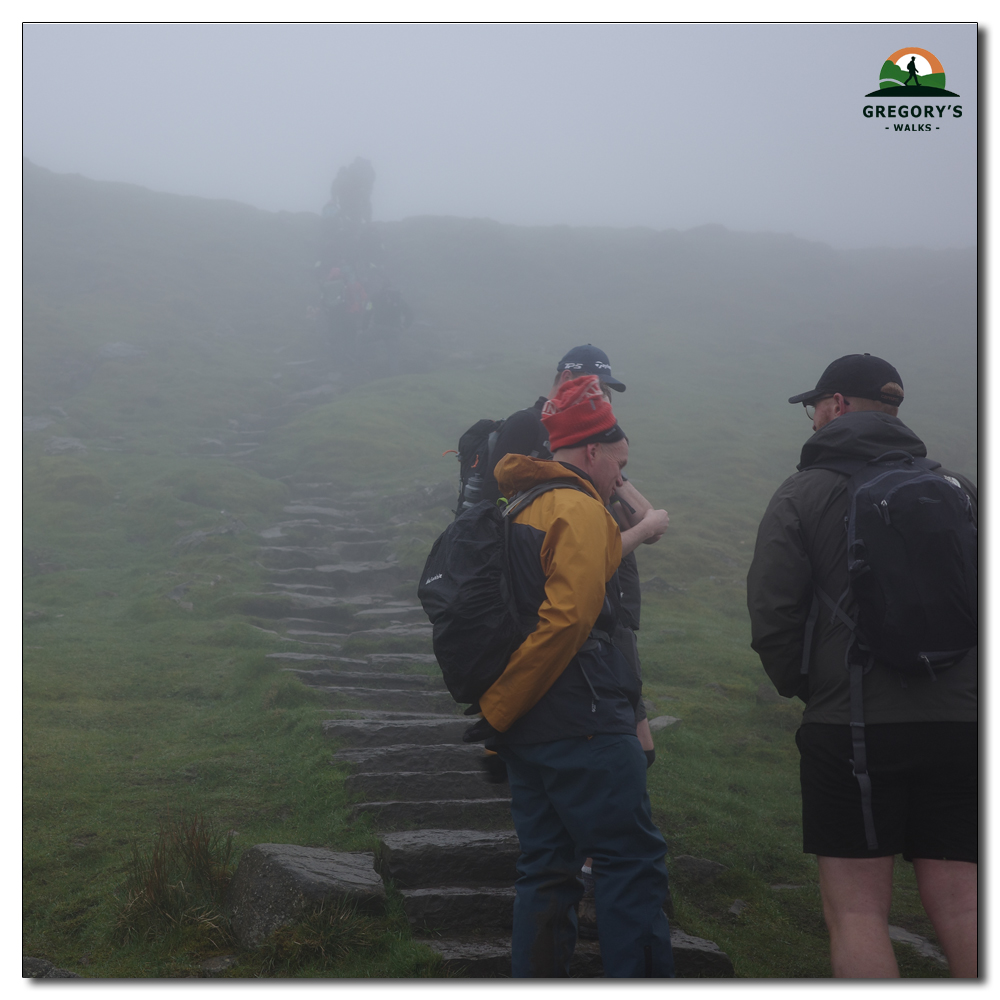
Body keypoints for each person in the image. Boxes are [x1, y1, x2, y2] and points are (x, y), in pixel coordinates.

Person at [746, 353, 977, 978]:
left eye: (813, 406)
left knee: (858, 913)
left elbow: (773, 612)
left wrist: (808, 687)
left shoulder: (804, 491)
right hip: (964, 727)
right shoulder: (959, 488)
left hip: (852, 728)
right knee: (964, 906)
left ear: (838, 405)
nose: (811, 419)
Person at [465, 375, 673, 978]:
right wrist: (499, 708)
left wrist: (507, 720)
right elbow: (569, 617)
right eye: (620, 465)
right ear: (591, 452)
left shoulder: (524, 503)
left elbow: (576, 573)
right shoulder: (577, 506)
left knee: (546, 871)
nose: (621, 480)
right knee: (632, 863)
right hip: (583, 722)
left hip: (533, 733)